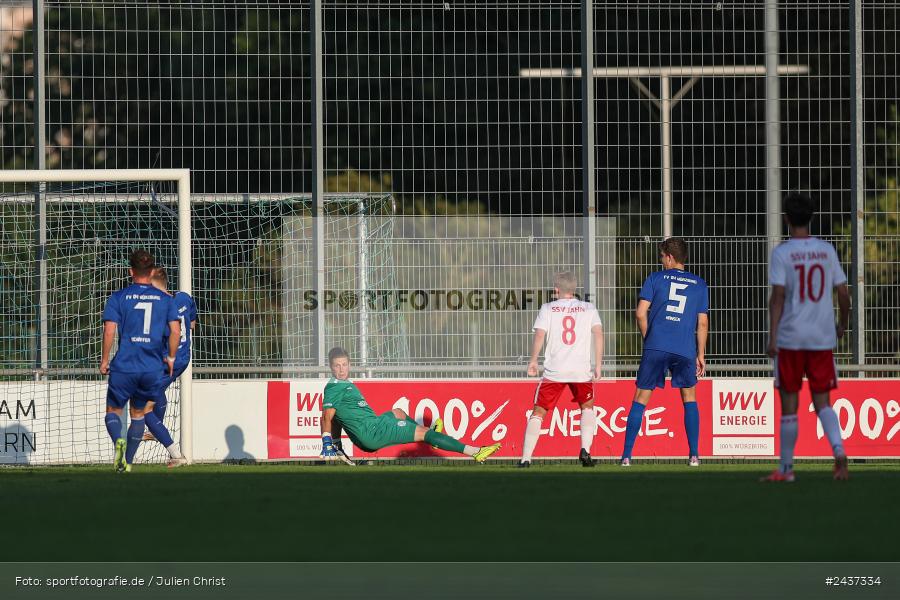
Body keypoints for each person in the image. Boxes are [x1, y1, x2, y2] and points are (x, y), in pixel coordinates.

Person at [763, 192, 850, 482]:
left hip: (790, 337)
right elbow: (843, 293)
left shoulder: (782, 253)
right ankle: (838, 449)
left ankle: (786, 469)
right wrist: (842, 324)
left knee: (789, 404)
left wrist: (773, 337)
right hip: (821, 338)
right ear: (810, 217)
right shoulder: (826, 250)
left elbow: (778, 298)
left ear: (786, 219)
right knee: (823, 401)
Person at [320, 347, 501, 462]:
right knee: (425, 434)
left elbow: (336, 419)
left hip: (375, 424)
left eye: (344, 364)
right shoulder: (333, 388)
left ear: (349, 364)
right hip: (372, 433)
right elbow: (327, 416)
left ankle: (432, 438)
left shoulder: (346, 384)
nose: (341, 369)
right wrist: (327, 442)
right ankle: (475, 451)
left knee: (398, 412)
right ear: (330, 366)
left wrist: (337, 443)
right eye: (337, 365)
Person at [620, 238, 709, 467]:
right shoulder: (699, 284)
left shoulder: (655, 278)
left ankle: (627, 456)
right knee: (689, 398)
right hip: (684, 348)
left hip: (656, 345)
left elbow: (640, 313)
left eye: (662, 256)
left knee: (641, 397)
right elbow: (703, 323)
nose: (661, 261)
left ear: (669, 257)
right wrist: (701, 353)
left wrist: (649, 338)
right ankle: (694, 456)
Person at [100, 249, 180, 473]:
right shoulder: (166, 300)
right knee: (138, 414)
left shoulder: (119, 297)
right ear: (153, 271)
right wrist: (171, 357)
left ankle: (118, 441)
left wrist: (105, 359)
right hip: (151, 368)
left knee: (113, 410)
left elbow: (109, 331)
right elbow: (176, 331)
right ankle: (127, 462)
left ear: (130, 271)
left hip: (124, 366)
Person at [518, 271, 603, 468]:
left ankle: (525, 459)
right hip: (581, 369)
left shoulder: (548, 308)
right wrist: (598, 364)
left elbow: (540, 334)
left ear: (556, 289)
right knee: (587, 407)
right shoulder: (588, 308)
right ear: (574, 290)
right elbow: (598, 333)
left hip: (555, 370)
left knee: (538, 411)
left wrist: (533, 360)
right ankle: (586, 451)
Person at [141, 266, 197, 467]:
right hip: (184, 357)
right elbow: (191, 324)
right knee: (156, 393)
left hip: (168, 362)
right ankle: (157, 428)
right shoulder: (183, 297)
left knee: (142, 409)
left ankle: (176, 454)